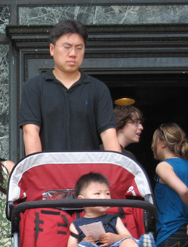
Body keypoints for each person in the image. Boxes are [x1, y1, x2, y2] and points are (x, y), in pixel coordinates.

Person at [19, 19, 119, 155]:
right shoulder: (34, 87)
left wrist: (116, 165)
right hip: (49, 166)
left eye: (79, 48)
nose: (73, 53)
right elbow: (30, 132)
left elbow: (108, 134)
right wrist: (38, 167)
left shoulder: (98, 89)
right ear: (52, 49)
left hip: (88, 167)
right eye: (67, 47)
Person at [66, 172, 157, 247]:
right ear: (81, 200)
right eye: (97, 193)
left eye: (107, 193)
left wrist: (115, 238)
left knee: (127, 242)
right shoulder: (76, 224)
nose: (104, 197)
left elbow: (128, 236)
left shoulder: (114, 219)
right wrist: (82, 243)